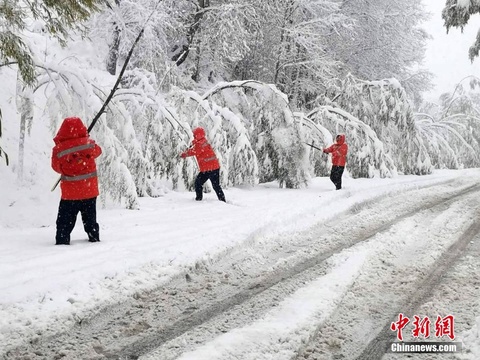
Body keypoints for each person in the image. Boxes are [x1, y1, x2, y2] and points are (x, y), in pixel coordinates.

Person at [51, 117, 102, 245]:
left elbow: (56, 167)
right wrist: (84, 141)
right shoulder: (89, 144)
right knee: (90, 219)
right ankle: (93, 236)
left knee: (65, 220)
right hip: (89, 191)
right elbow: (98, 151)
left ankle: (62, 240)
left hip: (70, 194)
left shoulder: (59, 150)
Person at [181, 127, 226, 202]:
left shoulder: (201, 144)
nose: (194, 136)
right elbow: (196, 147)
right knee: (209, 185)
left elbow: (194, 151)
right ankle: (221, 200)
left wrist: (183, 154)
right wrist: (193, 143)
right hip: (209, 168)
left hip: (211, 169)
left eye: (194, 135)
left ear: (198, 135)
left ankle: (201, 199)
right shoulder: (202, 142)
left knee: (205, 184)